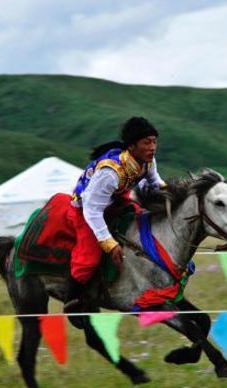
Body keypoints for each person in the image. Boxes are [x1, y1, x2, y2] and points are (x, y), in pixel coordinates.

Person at [64, 116, 166, 312]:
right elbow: (92, 209)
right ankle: (72, 301)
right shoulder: (110, 172)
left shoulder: (148, 161)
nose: (152, 147)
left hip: (116, 200)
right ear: (132, 146)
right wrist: (109, 244)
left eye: (154, 142)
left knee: (143, 221)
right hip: (86, 210)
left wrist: (177, 195)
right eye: (147, 142)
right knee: (89, 259)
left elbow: (155, 184)